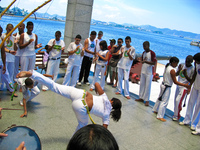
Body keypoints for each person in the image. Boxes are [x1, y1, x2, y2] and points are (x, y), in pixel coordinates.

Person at [16, 70, 122, 132]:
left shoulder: (104, 97)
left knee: (54, 86)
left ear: (111, 102)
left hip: (80, 93)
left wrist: (99, 94)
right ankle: (74, 144)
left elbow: (97, 84)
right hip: (81, 107)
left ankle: (32, 74)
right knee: (82, 126)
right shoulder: (107, 115)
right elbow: (105, 131)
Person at [152, 57, 190, 122]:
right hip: (167, 86)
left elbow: (174, 75)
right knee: (164, 102)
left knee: (160, 98)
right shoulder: (172, 70)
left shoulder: (167, 66)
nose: (177, 65)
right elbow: (175, 81)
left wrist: (178, 71)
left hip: (163, 85)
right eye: (176, 63)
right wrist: (184, 85)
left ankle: (155, 109)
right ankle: (160, 116)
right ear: (173, 62)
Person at [179, 53, 200, 133]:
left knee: (198, 106)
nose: (196, 62)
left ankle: (194, 125)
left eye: (197, 61)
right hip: (195, 86)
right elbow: (195, 73)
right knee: (191, 103)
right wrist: (190, 85)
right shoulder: (196, 63)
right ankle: (187, 120)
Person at [172, 55, 194, 121]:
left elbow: (191, 80)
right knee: (175, 100)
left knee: (178, 101)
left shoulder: (192, 69)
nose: (186, 63)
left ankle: (177, 115)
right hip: (178, 85)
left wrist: (186, 74)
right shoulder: (182, 65)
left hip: (184, 87)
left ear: (191, 62)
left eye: (188, 62)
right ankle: (175, 113)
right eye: (186, 61)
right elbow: (176, 74)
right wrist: (179, 70)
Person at [135, 41, 156, 106]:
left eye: (145, 46)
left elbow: (154, 63)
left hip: (149, 72)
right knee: (142, 85)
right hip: (143, 71)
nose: (144, 47)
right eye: (143, 46)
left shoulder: (152, 53)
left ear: (148, 46)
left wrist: (146, 61)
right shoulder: (143, 53)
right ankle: (141, 97)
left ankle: (147, 100)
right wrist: (140, 60)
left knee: (147, 86)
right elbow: (143, 61)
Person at [1, 24, 18, 97]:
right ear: (6, 29)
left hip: (11, 58)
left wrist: (15, 43)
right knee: (4, 74)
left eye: (11, 30)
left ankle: (10, 88)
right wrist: (9, 51)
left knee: (10, 75)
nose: (10, 31)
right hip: (4, 58)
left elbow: (15, 49)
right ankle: (1, 88)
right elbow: (3, 49)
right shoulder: (2, 37)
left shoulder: (13, 37)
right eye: (9, 29)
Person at [0, 26, 6, 100]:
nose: (0, 34)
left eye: (1, 32)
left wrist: (4, 64)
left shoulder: (1, 40)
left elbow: (3, 53)